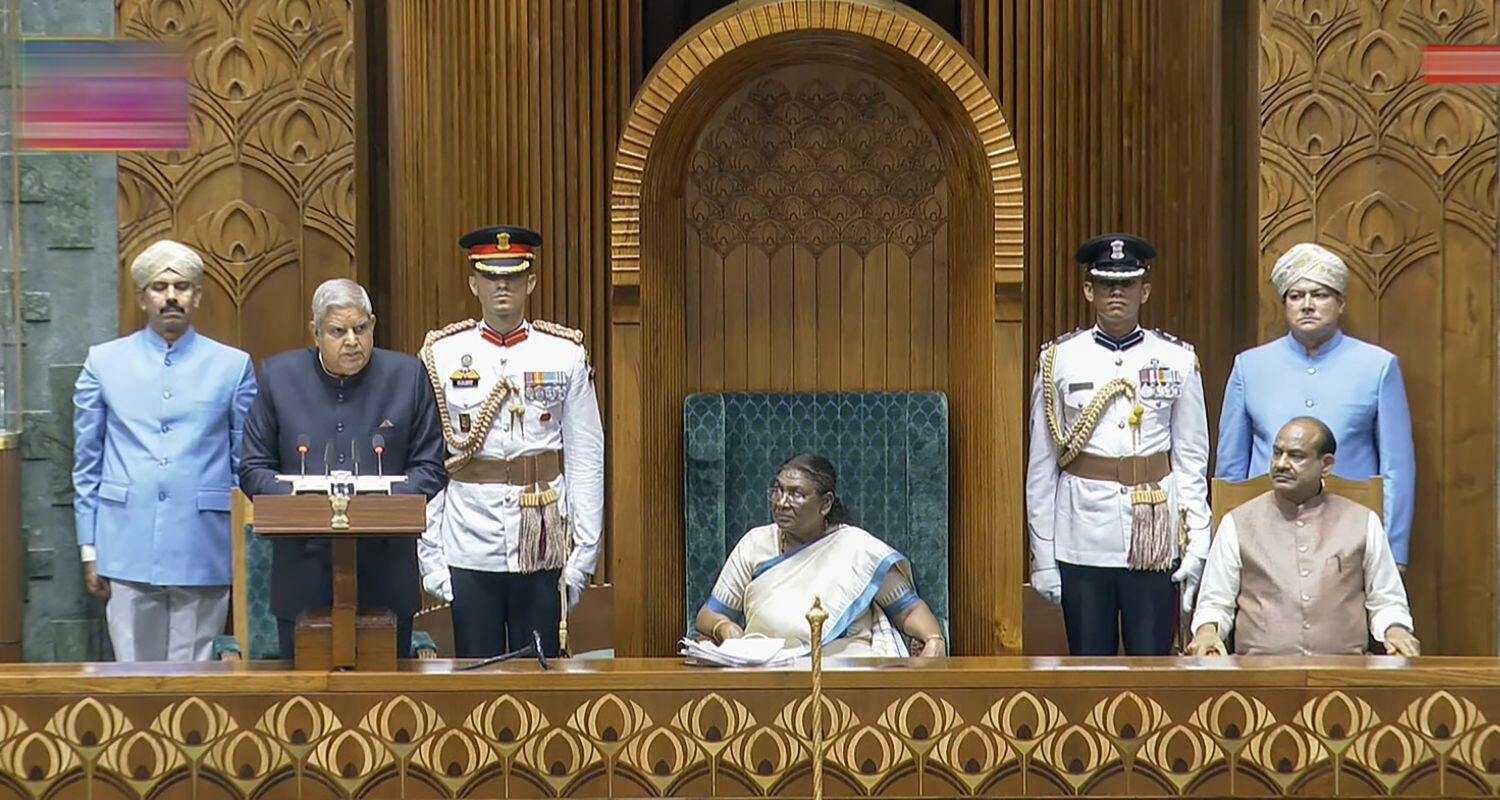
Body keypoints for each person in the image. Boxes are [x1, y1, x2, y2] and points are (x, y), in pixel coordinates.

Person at [417, 225, 604, 658]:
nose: (502, 285)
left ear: (531, 283)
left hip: (540, 538)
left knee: (539, 674)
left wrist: (584, 556)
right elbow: (430, 463)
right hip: (469, 535)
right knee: (475, 674)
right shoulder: (441, 355)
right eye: (491, 276)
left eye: (514, 276)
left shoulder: (564, 354)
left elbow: (586, 456)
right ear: (473, 283)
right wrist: (430, 557)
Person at [239, 278, 446, 659]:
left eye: (360, 328)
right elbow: (253, 469)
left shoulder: (407, 376)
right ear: (315, 333)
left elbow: (430, 467)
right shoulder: (279, 378)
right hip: (302, 570)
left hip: (386, 569)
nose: (352, 340)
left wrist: (374, 502)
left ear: (373, 325)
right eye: (338, 331)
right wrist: (310, 500)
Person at [71, 240, 258, 662]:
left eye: (182, 286)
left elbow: (242, 464)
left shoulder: (232, 366)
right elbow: (87, 464)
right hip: (125, 540)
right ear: (141, 297)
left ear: (198, 296)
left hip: (203, 542)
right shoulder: (103, 363)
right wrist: (90, 549)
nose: (171, 296)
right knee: (133, 681)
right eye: (159, 287)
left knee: (195, 684)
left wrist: (240, 549)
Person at [1026, 233, 1211, 656]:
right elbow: (1041, 469)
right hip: (1082, 537)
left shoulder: (1177, 359)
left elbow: (1191, 459)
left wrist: (1198, 536)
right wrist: (1043, 556)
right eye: (1106, 284)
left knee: (1155, 667)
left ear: (1144, 291)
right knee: (1090, 670)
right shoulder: (1058, 359)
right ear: (1088, 290)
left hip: (1155, 535)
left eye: (1127, 284)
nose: (1116, 292)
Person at [1216, 242, 1415, 567]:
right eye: (1296, 296)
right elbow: (1230, 469)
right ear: (1284, 305)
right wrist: (1224, 548)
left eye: (1320, 295)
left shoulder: (1377, 366)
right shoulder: (1249, 367)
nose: (1307, 305)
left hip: (1350, 537)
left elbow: (1396, 469)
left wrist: (1394, 551)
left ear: (1340, 303)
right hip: (1264, 537)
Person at [1188, 417, 1419, 656]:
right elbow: (1215, 602)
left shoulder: (1363, 521)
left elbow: (1387, 600)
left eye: (1296, 456)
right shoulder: (1237, 523)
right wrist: (1207, 631)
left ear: (1326, 464)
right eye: (1277, 453)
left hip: (1345, 676)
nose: (1281, 464)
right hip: (1257, 677)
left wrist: (1396, 630)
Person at [694, 454, 946, 657]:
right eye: (777, 490)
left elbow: (909, 609)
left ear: (825, 504)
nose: (781, 502)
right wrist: (724, 627)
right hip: (766, 673)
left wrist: (933, 639)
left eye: (796, 494)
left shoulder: (857, 547)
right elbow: (709, 614)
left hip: (846, 674)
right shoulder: (754, 543)